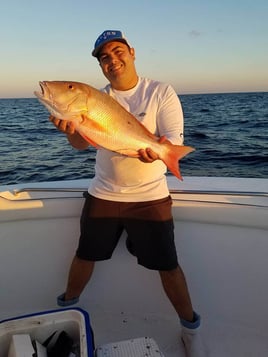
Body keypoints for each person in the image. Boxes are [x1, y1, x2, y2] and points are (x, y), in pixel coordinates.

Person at [50, 30, 207, 357]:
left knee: (169, 265)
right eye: (104, 57)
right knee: (84, 256)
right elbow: (83, 142)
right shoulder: (97, 98)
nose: (112, 60)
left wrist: (159, 153)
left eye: (117, 51)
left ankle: (191, 331)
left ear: (132, 52)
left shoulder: (160, 92)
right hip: (104, 193)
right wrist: (71, 130)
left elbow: (171, 140)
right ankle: (64, 313)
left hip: (150, 198)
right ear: (100, 65)